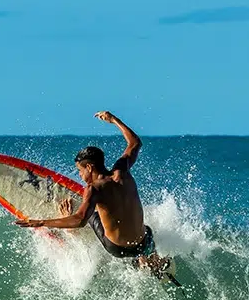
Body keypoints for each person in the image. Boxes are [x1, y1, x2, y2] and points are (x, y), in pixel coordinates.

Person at [15, 111, 174, 280]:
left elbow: (80, 220)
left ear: (89, 167)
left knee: (91, 214)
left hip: (116, 248)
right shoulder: (122, 170)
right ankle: (151, 261)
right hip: (142, 242)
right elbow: (135, 143)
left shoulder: (94, 189)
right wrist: (114, 120)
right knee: (146, 230)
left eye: (80, 170)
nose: (80, 176)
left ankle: (139, 261)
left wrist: (41, 222)